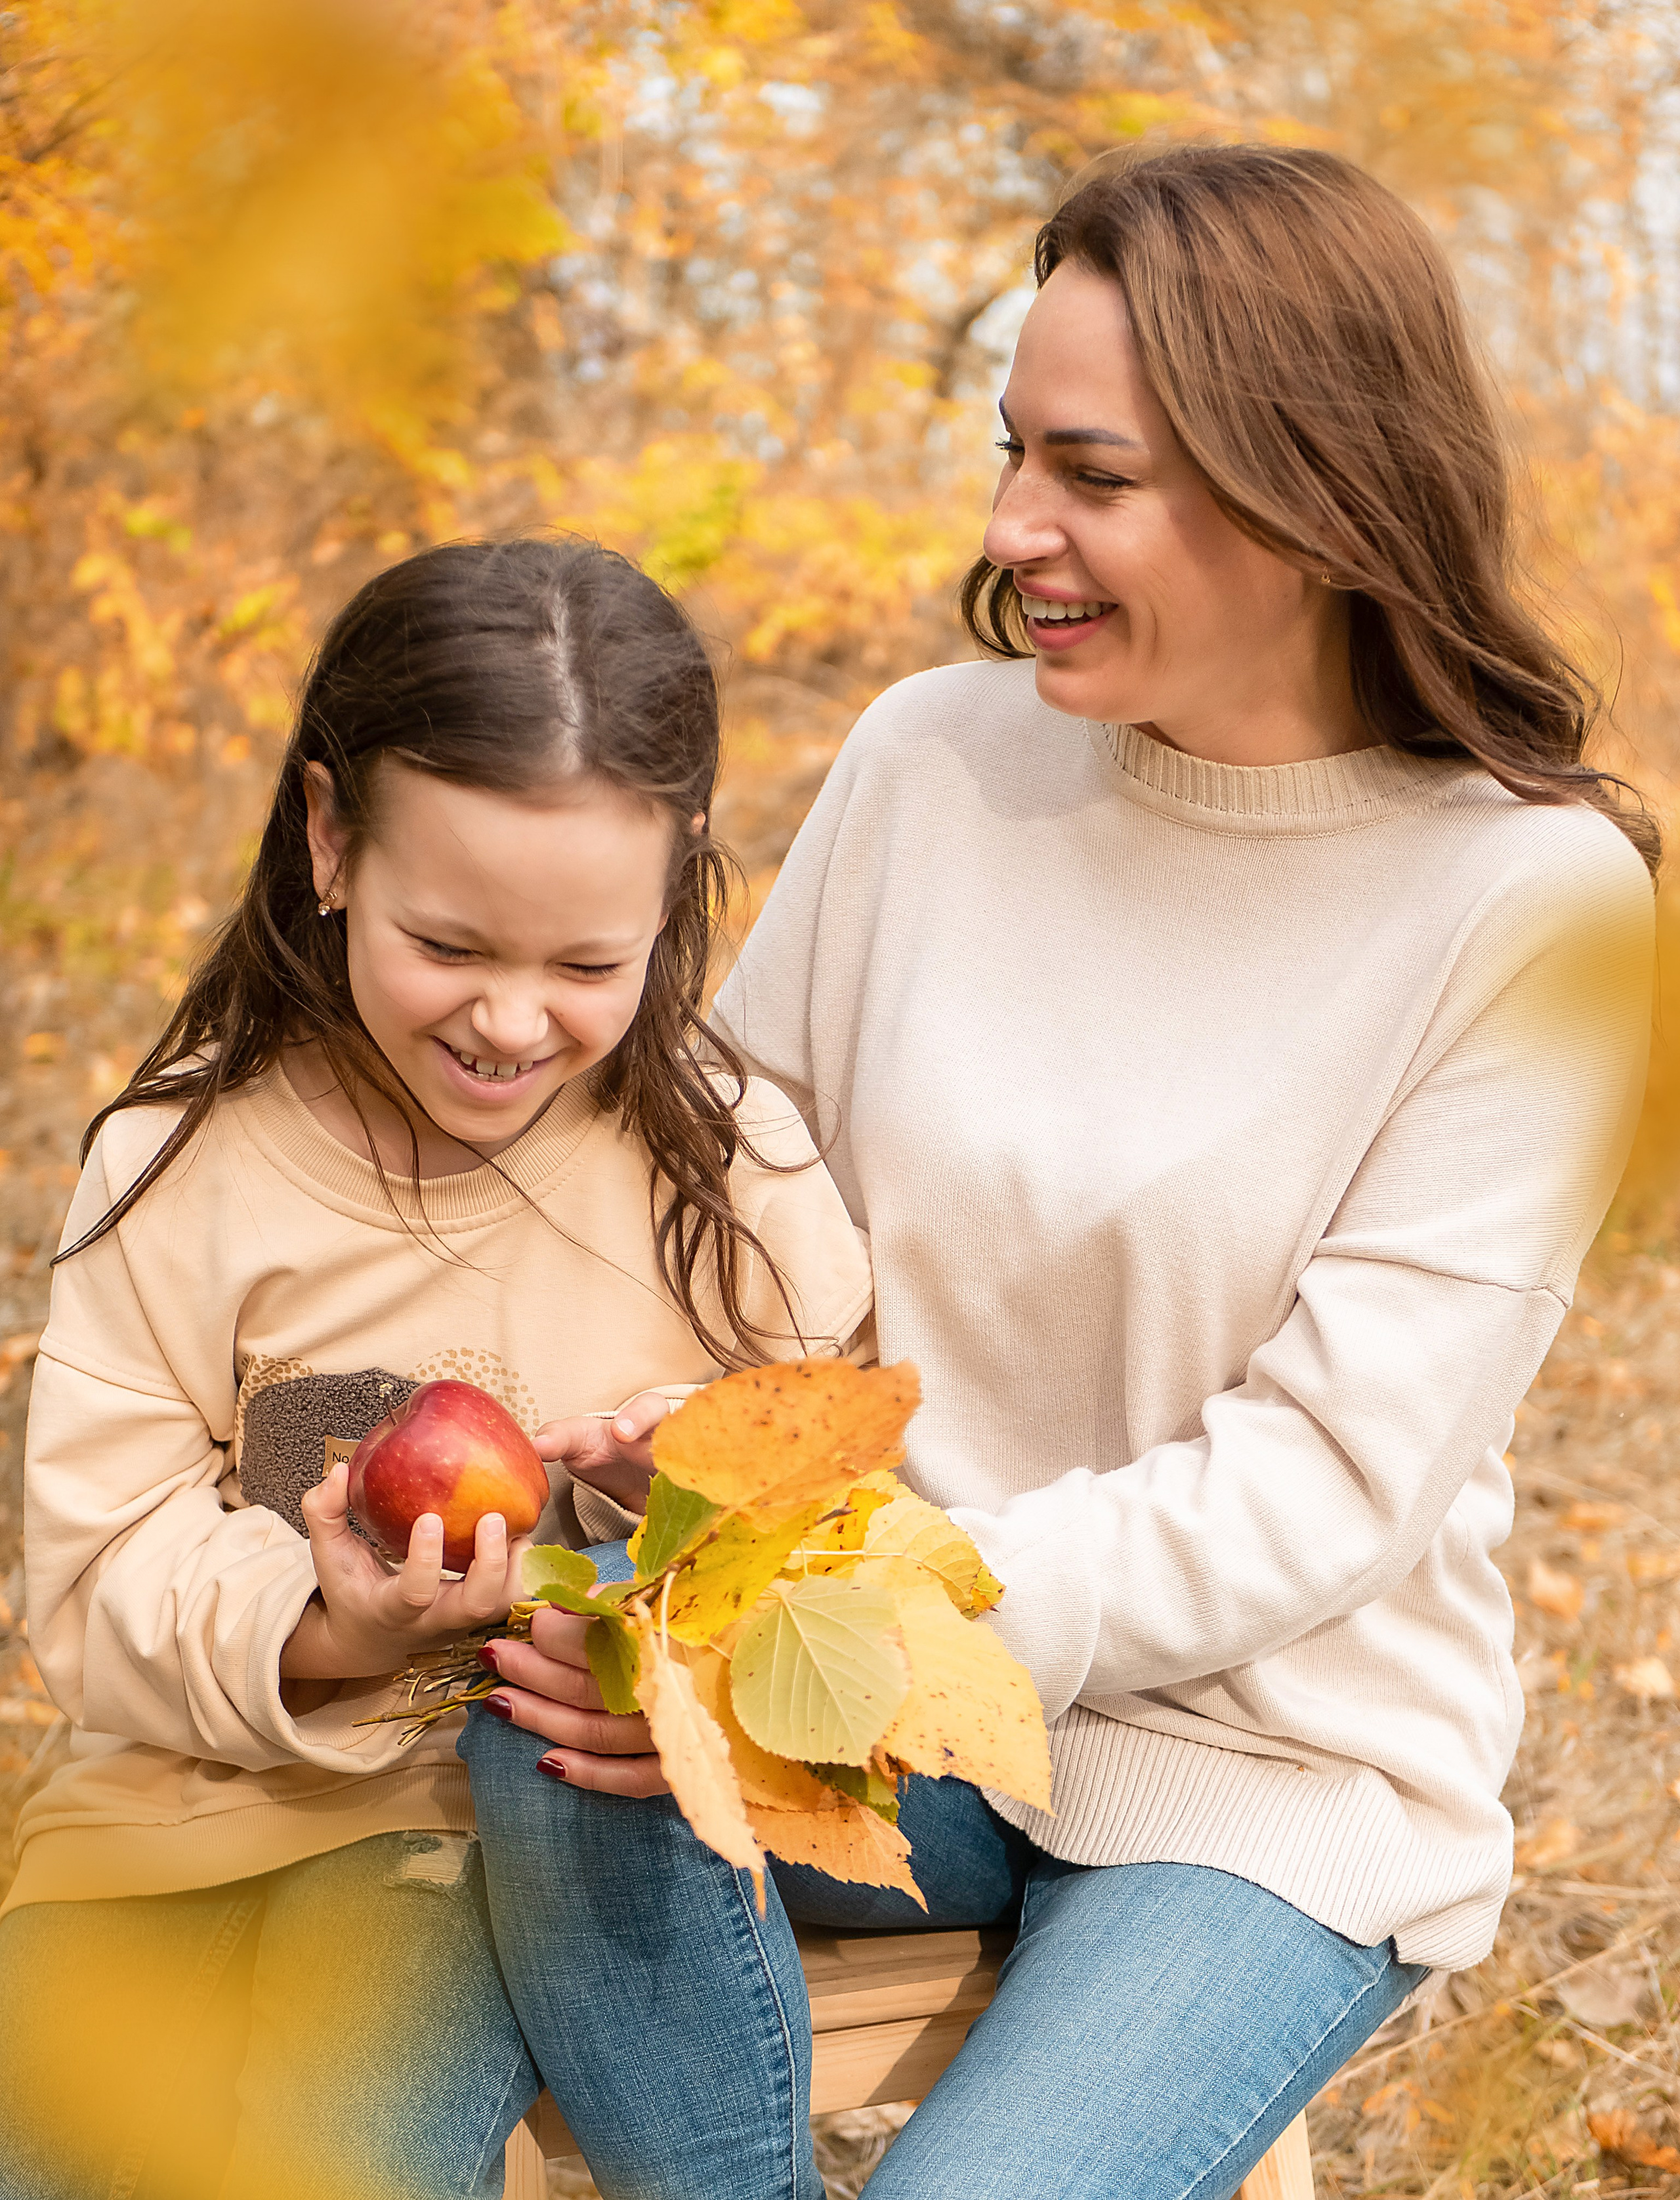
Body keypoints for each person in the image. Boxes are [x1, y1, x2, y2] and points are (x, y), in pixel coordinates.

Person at [459, 145, 1657, 2199]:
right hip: (854, 1688)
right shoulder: (937, 758)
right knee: (554, 1730)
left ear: (1315, 484)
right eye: (1015, 456)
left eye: (1092, 476)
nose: (1016, 534)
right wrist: (676, 1443)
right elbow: (727, 1198)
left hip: (1258, 1764)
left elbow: (1324, 1491)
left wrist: (908, 1601)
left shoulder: (1534, 909)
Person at [0, 538, 870, 2200]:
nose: (512, 1020)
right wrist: (334, 1628)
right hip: (154, 1824)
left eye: (584, 965)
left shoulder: (723, 1170)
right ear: (330, 840)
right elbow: (98, 1564)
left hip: (478, 1837)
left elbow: (847, 1509)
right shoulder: (185, 1163)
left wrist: (709, 1502)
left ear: (677, 880)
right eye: (452, 943)